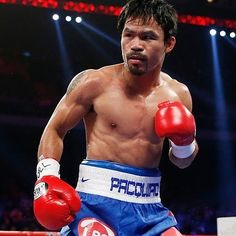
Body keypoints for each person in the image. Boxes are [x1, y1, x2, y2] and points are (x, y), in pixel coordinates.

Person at [33, 0, 199, 235]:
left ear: (169, 43)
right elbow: (55, 129)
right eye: (129, 35)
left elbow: (182, 161)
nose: (135, 45)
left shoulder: (179, 94)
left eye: (148, 37)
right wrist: (47, 177)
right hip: (94, 206)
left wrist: (184, 143)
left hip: (150, 210)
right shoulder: (94, 83)